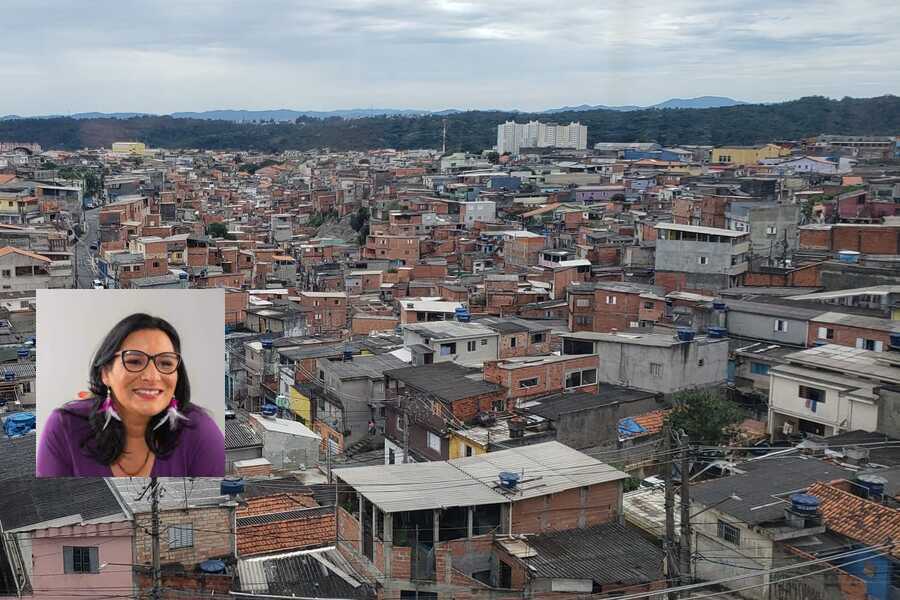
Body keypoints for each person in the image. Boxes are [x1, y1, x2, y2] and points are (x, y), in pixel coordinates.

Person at [37, 313, 225, 477]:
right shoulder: (65, 428)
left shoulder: (199, 432)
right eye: (134, 361)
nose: (152, 376)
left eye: (166, 363)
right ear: (105, 373)